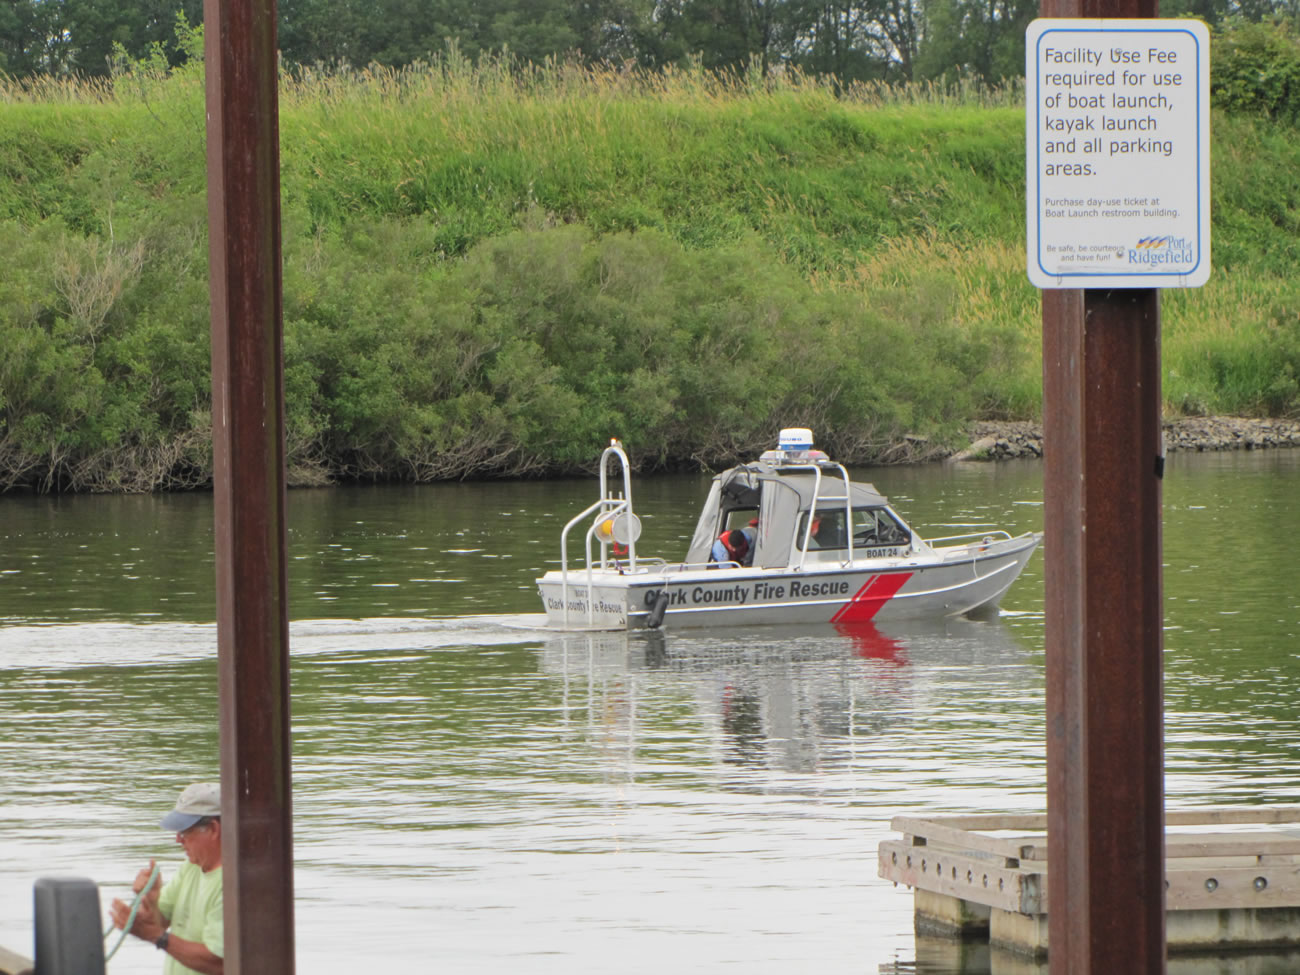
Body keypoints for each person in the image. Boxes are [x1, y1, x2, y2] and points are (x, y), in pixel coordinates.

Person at [110, 782, 224, 975]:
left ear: (213, 829)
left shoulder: (233, 884)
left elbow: (220, 963)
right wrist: (152, 898)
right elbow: (160, 922)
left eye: (185, 831)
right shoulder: (191, 868)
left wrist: (156, 937)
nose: (178, 840)